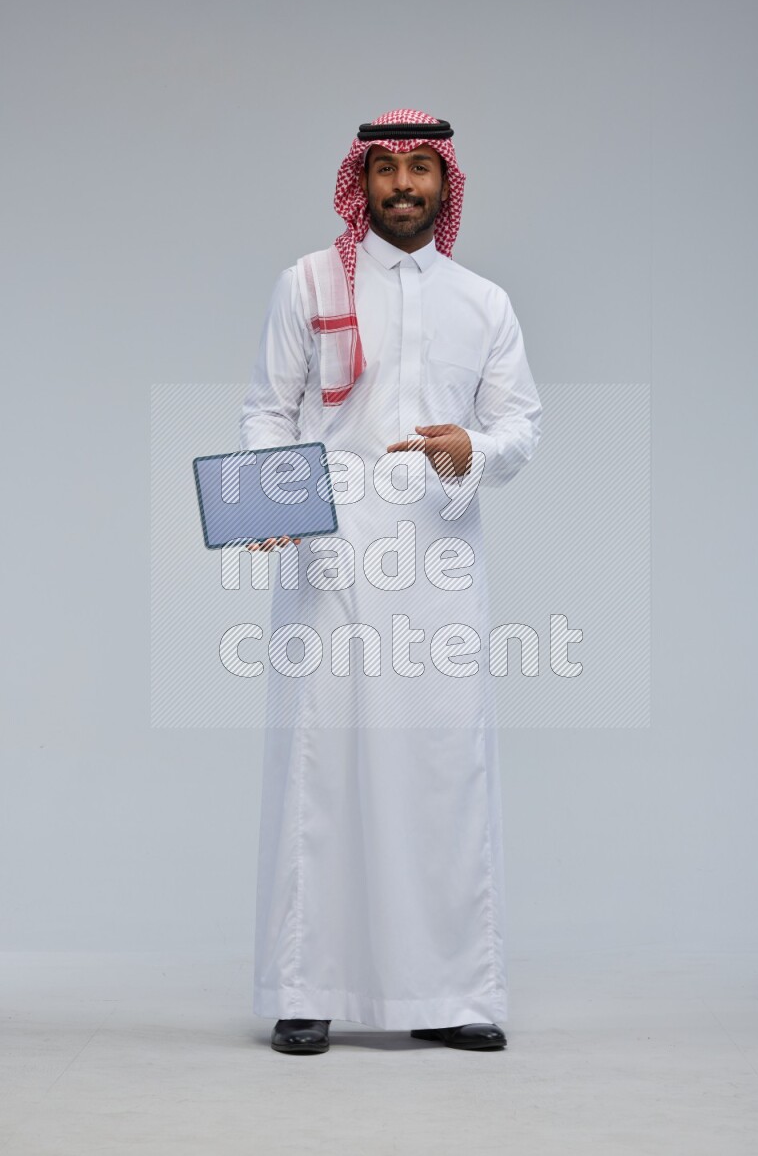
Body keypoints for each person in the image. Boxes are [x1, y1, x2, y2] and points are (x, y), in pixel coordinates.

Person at [239, 108, 542, 1055]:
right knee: (325, 767)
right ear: (359, 182)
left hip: (440, 555)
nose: (404, 185)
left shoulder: (484, 303)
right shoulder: (308, 281)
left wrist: (475, 449)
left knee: (442, 768)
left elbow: (521, 427)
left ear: (445, 185)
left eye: (422, 169)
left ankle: (448, 994)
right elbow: (267, 411)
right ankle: (306, 987)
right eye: (386, 170)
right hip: (334, 551)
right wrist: (270, 509)